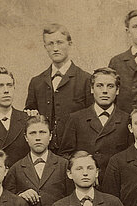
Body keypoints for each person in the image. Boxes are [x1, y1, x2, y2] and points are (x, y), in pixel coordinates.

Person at [24, 23, 92, 151]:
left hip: (76, 152)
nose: (55, 48)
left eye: (59, 42)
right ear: (45, 47)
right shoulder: (36, 82)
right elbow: (30, 117)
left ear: (69, 44)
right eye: (50, 44)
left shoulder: (86, 80)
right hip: (46, 153)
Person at [59, 67, 132, 177]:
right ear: (92, 89)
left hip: (115, 183)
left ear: (117, 90)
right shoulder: (76, 119)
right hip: (85, 182)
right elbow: (65, 155)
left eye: (110, 86)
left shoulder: (126, 120)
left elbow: (130, 157)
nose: (105, 91)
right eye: (99, 85)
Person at [4, 113, 71, 206]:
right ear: (26, 137)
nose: (38, 137)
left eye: (42, 132)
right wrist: (20, 196)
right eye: (32, 133)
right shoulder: (16, 168)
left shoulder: (64, 165)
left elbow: (72, 199)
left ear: (50, 136)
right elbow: (6, 202)